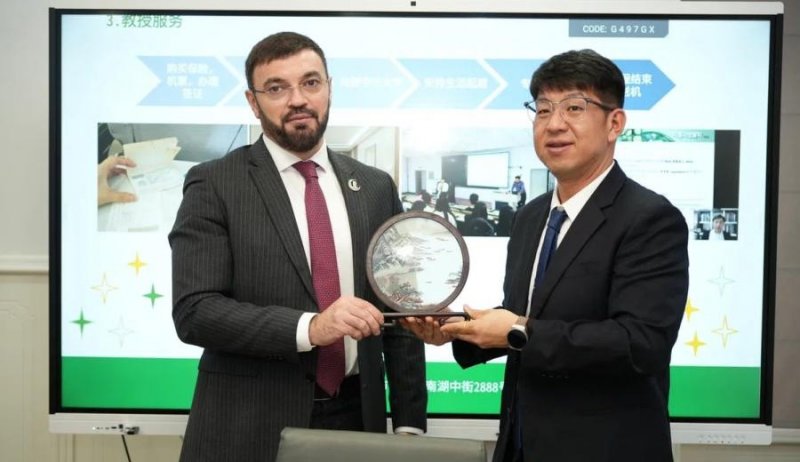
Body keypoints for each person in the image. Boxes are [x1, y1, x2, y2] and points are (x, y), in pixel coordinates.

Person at [403, 49, 689, 462]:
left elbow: (640, 344)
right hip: (521, 444)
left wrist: (516, 330)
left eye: (574, 107)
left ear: (614, 123)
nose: (554, 124)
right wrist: (457, 330)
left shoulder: (649, 218)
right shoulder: (531, 216)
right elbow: (527, 316)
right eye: (542, 110)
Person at [169, 32, 427, 462]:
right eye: (276, 88)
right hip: (249, 425)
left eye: (310, 83)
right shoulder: (214, 183)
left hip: (356, 418)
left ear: (329, 89)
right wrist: (311, 328)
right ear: (253, 103)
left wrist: (409, 424)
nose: (298, 100)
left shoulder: (375, 187)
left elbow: (399, 312)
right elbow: (195, 311)